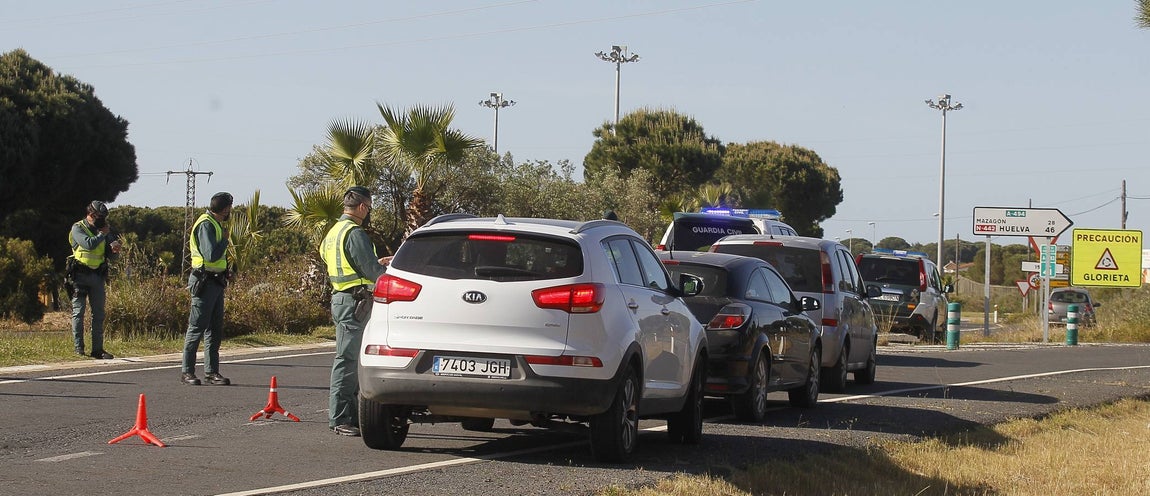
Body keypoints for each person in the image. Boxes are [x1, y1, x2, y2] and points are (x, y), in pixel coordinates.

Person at [320, 186, 388, 437]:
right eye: (369, 208)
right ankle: (340, 418)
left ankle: (345, 416)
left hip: (342, 297)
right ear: (362, 207)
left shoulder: (334, 232)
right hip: (354, 302)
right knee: (348, 361)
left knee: (347, 359)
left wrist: (374, 265)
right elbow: (372, 273)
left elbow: (344, 264)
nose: (368, 213)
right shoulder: (355, 233)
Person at [180, 192, 233, 386]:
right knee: (196, 328)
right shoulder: (206, 224)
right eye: (229, 208)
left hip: (216, 281)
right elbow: (210, 254)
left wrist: (226, 270)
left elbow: (217, 259)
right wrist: (225, 240)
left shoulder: (215, 224)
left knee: (214, 330)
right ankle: (187, 372)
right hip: (204, 281)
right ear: (225, 208)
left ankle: (211, 372)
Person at [68, 201, 120, 359]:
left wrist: (115, 250)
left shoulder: (105, 230)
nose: (101, 220)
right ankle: (79, 348)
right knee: (79, 312)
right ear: (91, 214)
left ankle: (97, 349)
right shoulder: (78, 228)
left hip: (97, 276)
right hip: (79, 275)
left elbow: (112, 256)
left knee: (98, 314)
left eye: (103, 217)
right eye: (99, 217)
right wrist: (102, 234)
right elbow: (88, 244)